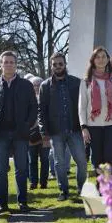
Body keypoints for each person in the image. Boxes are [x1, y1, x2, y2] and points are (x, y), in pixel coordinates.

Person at [0, 50, 37, 214]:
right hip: (0, 134)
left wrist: (28, 125)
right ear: (0, 65)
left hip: (21, 133)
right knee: (0, 170)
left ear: (16, 64)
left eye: (12, 62)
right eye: (5, 62)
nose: (9, 65)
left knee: (21, 168)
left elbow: (34, 107)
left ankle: (23, 203)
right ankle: (2, 204)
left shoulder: (26, 85)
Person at [39, 52, 89, 201]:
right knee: (59, 163)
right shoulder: (45, 86)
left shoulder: (76, 82)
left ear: (65, 65)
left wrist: (85, 126)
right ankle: (64, 191)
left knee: (82, 162)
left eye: (60, 64)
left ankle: (82, 189)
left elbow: (84, 106)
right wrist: (44, 130)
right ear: (51, 66)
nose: (58, 67)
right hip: (56, 131)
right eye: (55, 64)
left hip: (75, 129)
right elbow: (41, 109)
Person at [79, 47, 112, 178]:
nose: (101, 60)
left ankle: (111, 190)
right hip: (93, 126)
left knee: (110, 158)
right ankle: (102, 189)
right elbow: (82, 107)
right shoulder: (86, 81)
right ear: (93, 60)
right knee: (98, 160)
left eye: (103, 57)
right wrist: (84, 127)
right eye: (97, 57)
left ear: (107, 59)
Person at [28, 76, 51, 190]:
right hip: (31, 134)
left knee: (45, 159)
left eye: (38, 85)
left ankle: (43, 182)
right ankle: (33, 182)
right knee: (32, 160)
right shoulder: (27, 99)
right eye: (34, 85)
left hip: (44, 134)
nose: (36, 87)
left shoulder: (47, 98)